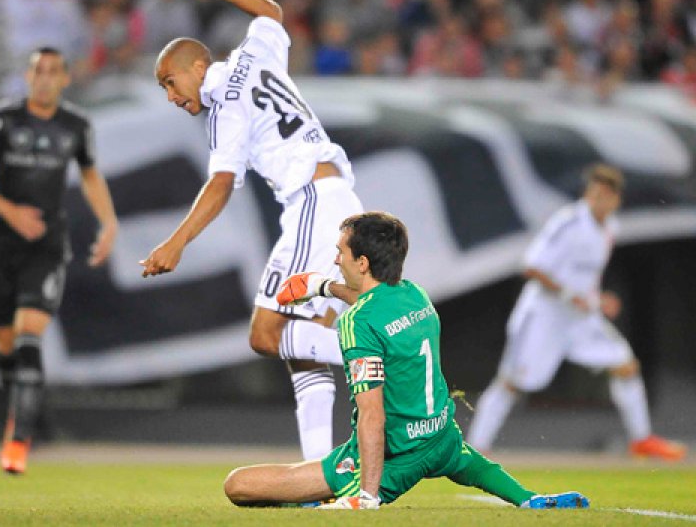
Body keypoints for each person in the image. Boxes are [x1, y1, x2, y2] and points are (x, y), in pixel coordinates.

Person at [222, 211, 589, 510]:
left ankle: (334, 500)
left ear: (362, 262)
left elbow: (372, 414)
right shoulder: (414, 294)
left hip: (395, 459)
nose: (336, 258)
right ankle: (529, 499)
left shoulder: (355, 323)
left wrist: (367, 493)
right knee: (474, 465)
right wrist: (321, 286)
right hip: (442, 438)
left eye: (341, 252)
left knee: (238, 485)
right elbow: (374, 303)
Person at [139, 0, 363, 462]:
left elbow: (221, 184)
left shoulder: (224, 107)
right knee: (296, 347)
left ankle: (393, 359)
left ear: (198, 68)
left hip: (312, 203)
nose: (169, 95)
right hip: (333, 198)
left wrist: (175, 243)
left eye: (169, 81)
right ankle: (320, 472)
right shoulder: (254, 54)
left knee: (267, 334)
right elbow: (271, 11)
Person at [0, 47, 118, 474]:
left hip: (47, 245)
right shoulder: (2, 118)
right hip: (1, 244)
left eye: (54, 71)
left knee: (30, 334)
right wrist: (12, 212)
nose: (46, 78)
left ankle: (17, 443)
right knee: (6, 349)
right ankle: (20, 411)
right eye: (38, 71)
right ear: (28, 77)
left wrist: (108, 223)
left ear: (65, 79)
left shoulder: (76, 125)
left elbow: (89, 174)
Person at [468, 165, 687, 461]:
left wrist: (598, 300)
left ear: (616, 199)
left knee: (625, 366)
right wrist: (570, 295)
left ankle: (641, 440)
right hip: (544, 316)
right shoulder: (568, 223)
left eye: (607, 196)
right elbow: (532, 266)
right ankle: (475, 447)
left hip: (579, 319)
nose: (600, 201)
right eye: (595, 194)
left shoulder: (610, 228)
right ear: (588, 194)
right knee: (514, 382)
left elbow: (585, 278)